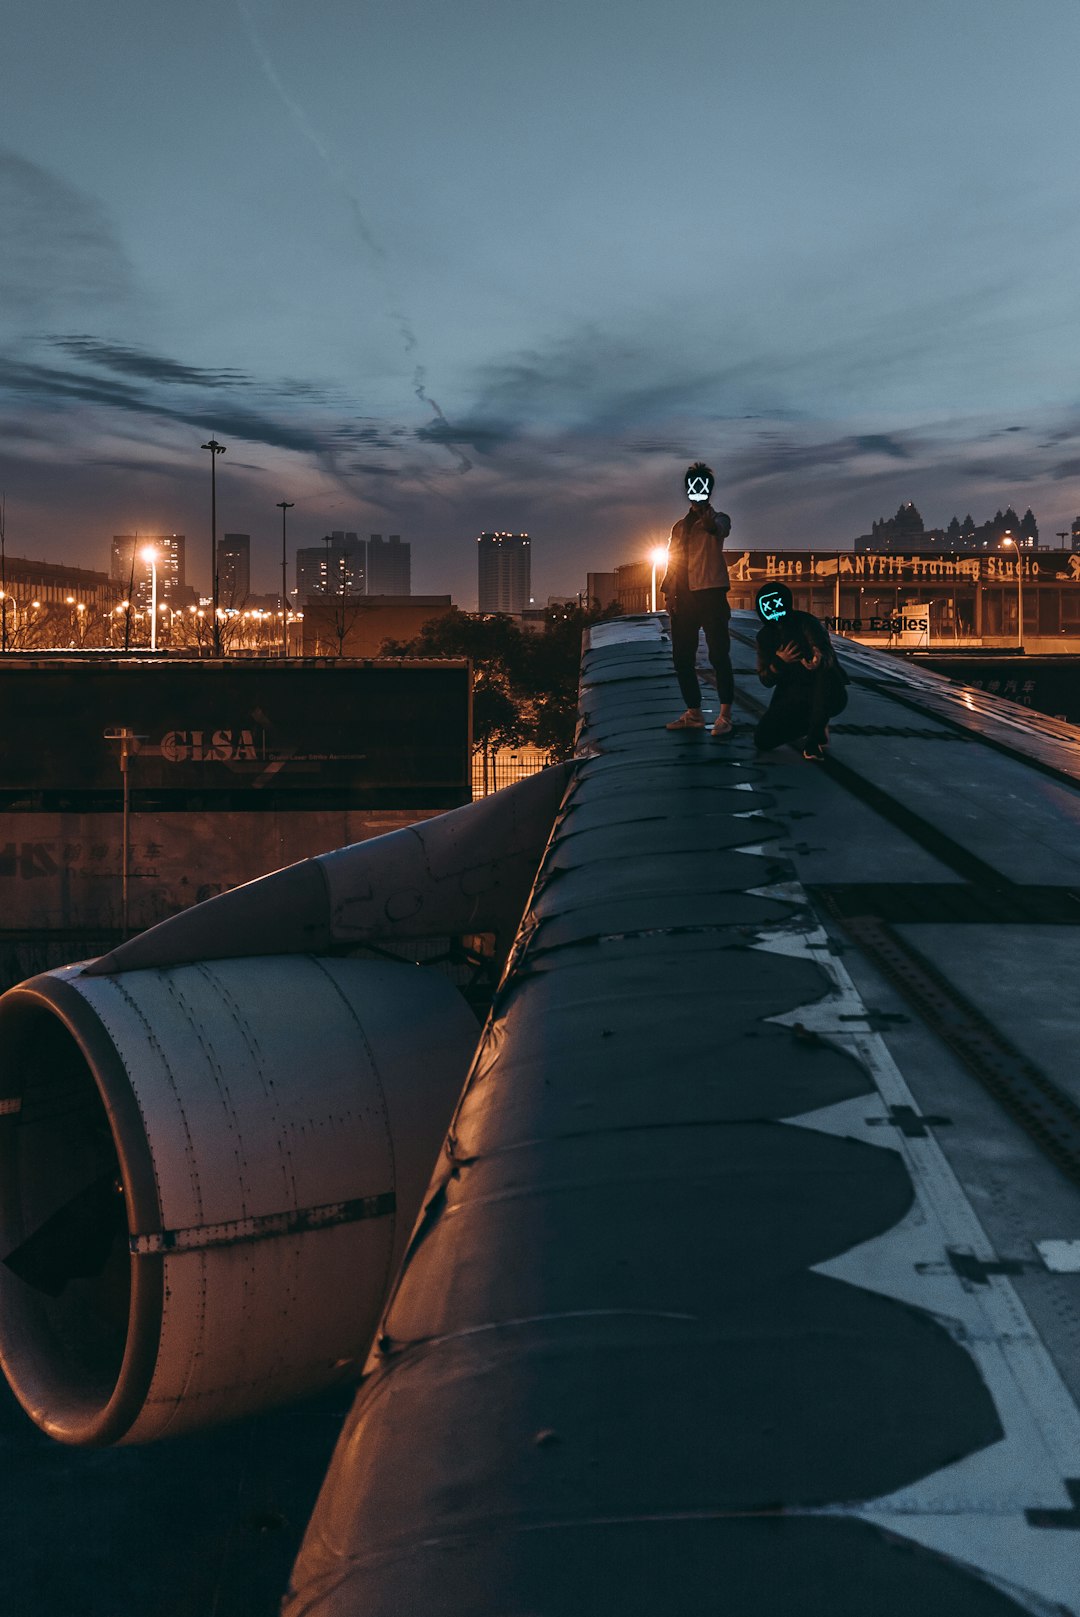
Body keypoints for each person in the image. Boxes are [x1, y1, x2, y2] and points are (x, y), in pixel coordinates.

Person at [661, 461, 735, 737]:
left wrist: (709, 523)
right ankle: (693, 712)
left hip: (712, 594)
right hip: (685, 598)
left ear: (709, 489)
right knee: (682, 657)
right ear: (688, 488)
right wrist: (669, 593)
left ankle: (725, 715)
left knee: (719, 655)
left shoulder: (719, 519)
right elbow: (673, 561)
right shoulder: (679, 527)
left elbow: (720, 530)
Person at [753, 582, 848, 761]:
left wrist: (818, 659)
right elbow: (765, 679)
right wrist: (780, 661)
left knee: (823, 675)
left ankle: (814, 739)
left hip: (825, 691)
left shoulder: (806, 622)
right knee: (762, 739)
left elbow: (824, 649)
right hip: (794, 695)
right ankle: (814, 726)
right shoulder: (764, 636)